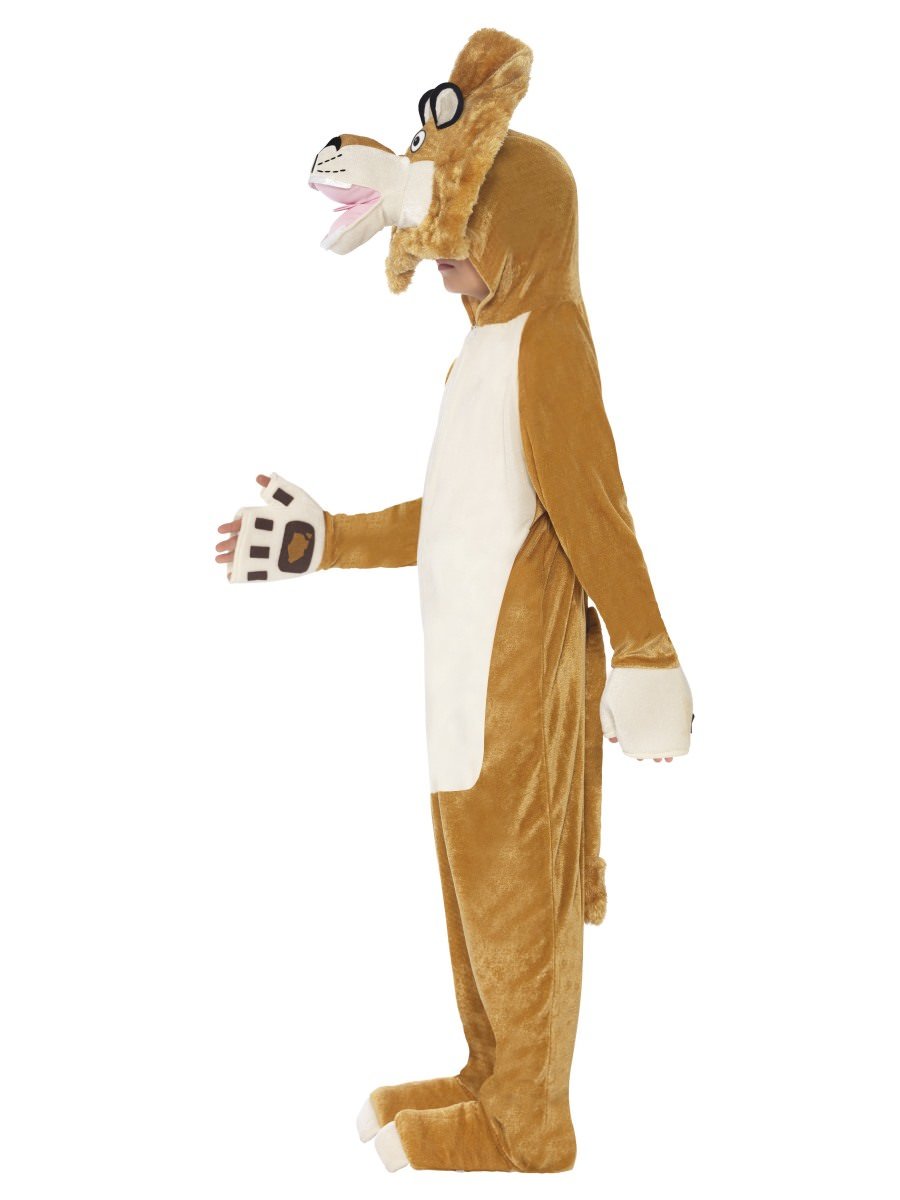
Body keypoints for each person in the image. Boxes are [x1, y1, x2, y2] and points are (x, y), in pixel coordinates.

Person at [215, 27, 693, 1174]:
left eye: (462, 234)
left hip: (515, 693)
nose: (440, 260)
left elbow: (593, 505)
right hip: (460, 689)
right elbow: (456, 516)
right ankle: (492, 1075)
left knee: (517, 897)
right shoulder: (481, 355)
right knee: (477, 898)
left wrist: (645, 646)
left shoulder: (548, 341)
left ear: (513, 227)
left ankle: (531, 1125)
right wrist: (330, 541)